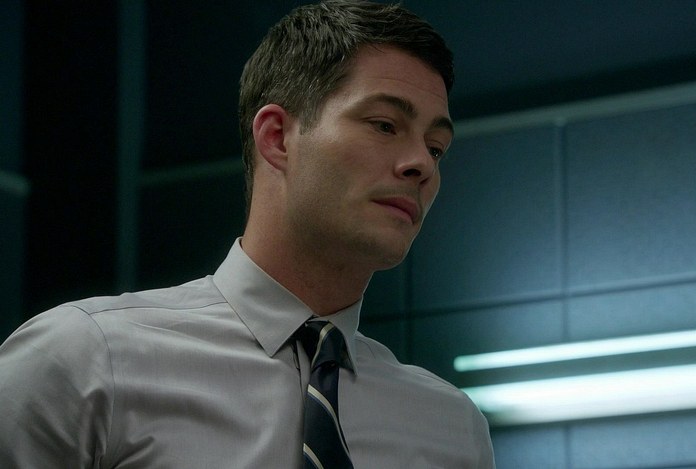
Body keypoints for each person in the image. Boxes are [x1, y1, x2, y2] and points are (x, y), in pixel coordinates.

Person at [0, 1, 495, 467]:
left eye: (436, 147)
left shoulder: (451, 429)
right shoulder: (86, 363)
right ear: (276, 137)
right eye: (385, 125)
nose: (421, 164)